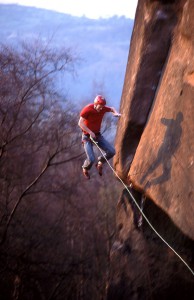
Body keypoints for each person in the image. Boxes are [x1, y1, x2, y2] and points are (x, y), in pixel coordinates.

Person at [78, 95, 121, 179]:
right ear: (95, 104)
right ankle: (85, 168)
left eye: (102, 107)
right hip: (87, 137)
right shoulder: (88, 109)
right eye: (100, 107)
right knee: (91, 159)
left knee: (112, 151)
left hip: (97, 135)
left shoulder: (103, 108)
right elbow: (80, 123)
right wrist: (90, 132)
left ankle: (100, 163)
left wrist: (115, 113)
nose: (101, 109)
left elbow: (111, 108)